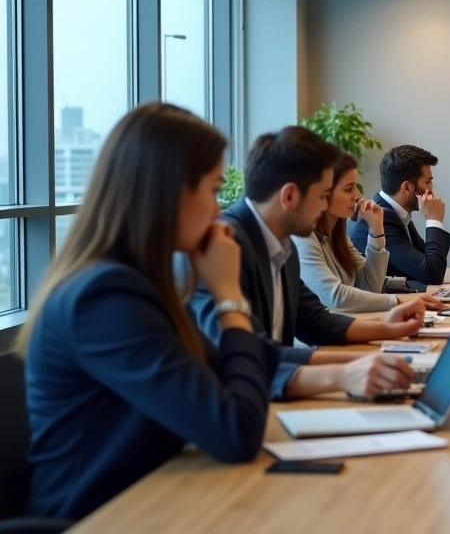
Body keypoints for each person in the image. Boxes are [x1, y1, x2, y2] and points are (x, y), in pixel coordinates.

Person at [20, 103, 276, 520]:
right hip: (95, 519)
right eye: (213, 190)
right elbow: (237, 432)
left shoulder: (137, 283)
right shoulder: (104, 298)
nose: (218, 212)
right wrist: (228, 294)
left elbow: (235, 373)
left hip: (149, 502)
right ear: (170, 192)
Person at [193, 127, 425, 400]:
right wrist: (346, 372)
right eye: (324, 195)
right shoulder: (224, 247)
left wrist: (387, 330)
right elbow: (253, 357)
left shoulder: (281, 242)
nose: (326, 206)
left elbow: (313, 320)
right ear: (289, 196)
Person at [294, 153, 439, 314]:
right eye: (349, 189)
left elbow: (371, 286)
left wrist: (376, 230)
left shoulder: (338, 236)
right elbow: (334, 296)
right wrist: (398, 301)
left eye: (356, 187)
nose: (358, 196)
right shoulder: (302, 238)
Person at [351, 144, 450, 289]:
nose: (431, 189)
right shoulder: (383, 218)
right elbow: (432, 273)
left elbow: (432, 262)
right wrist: (434, 220)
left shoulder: (395, 212)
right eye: (428, 182)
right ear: (407, 188)